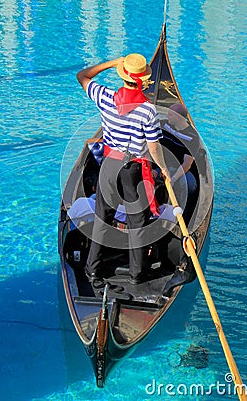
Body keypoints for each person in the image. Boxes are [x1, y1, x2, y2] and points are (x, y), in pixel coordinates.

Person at [76, 53, 170, 287]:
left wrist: (111, 63)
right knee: (137, 222)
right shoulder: (148, 110)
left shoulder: (105, 96)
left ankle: (92, 271)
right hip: (133, 171)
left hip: (108, 166)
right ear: (142, 80)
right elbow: (153, 147)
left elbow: (82, 76)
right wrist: (164, 169)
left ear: (124, 75)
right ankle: (137, 274)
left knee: (102, 218)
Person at [160, 103, 199, 221]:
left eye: (170, 115)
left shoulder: (192, 137)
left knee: (190, 186)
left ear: (178, 117)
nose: (167, 117)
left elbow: (187, 164)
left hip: (181, 170)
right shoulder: (164, 124)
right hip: (162, 166)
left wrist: (174, 178)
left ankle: (185, 218)